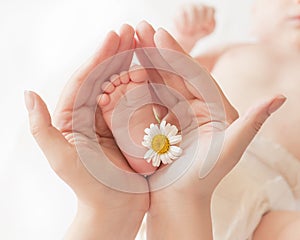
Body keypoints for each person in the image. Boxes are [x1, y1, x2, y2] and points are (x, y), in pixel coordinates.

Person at [24, 21, 285, 239]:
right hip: (202, 146)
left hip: (270, 182)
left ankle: (146, 152)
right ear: (254, 11)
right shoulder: (235, 51)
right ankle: (147, 148)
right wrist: (186, 39)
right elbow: (183, 74)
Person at [173, 1, 300, 239]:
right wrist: (184, 39)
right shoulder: (229, 51)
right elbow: (168, 82)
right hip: (199, 156)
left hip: (270, 198)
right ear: (254, 14)